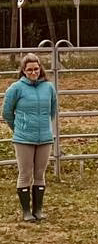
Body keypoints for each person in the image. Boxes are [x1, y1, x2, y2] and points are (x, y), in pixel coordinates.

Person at [3, 52, 57, 223]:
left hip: (44, 138)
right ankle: (26, 211)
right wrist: (19, 128)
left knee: (40, 173)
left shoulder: (49, 87)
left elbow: (52, 110)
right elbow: (6, 113)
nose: (33, 72)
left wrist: (45, 127)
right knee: (25, 173)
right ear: (23, 71)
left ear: (40, 68)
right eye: (29, 70)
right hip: (24, 138)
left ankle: (38, 210)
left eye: (36, 68)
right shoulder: (16, 88)